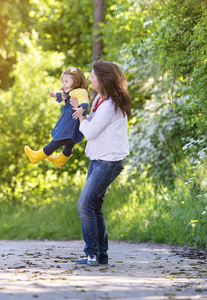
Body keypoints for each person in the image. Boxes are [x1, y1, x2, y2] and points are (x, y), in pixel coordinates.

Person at [73, 59, 131, 266]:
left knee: (85, 204)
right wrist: (83, 112)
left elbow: (89, 132)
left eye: (93, 76)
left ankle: (92, 253)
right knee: (94, 206)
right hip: (98, 159)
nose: (89, 78)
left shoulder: (109, 105)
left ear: (103, 79)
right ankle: (100, 254)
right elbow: (93, 125)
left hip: (108, 162)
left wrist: (81, 116)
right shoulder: (100, 99)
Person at [24, 67, 90, 168]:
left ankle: (36, 156)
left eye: (66, 81)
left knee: (57, 141)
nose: (63, 84)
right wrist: (55, 95)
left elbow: (84, 101)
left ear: (76, 81)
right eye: (63, 81)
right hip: (73, 123)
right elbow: (65, 97)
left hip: (71, 124)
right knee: (69, 143)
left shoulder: (80, 91)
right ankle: (60, 160)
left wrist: (81, 108)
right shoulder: (72, 92)